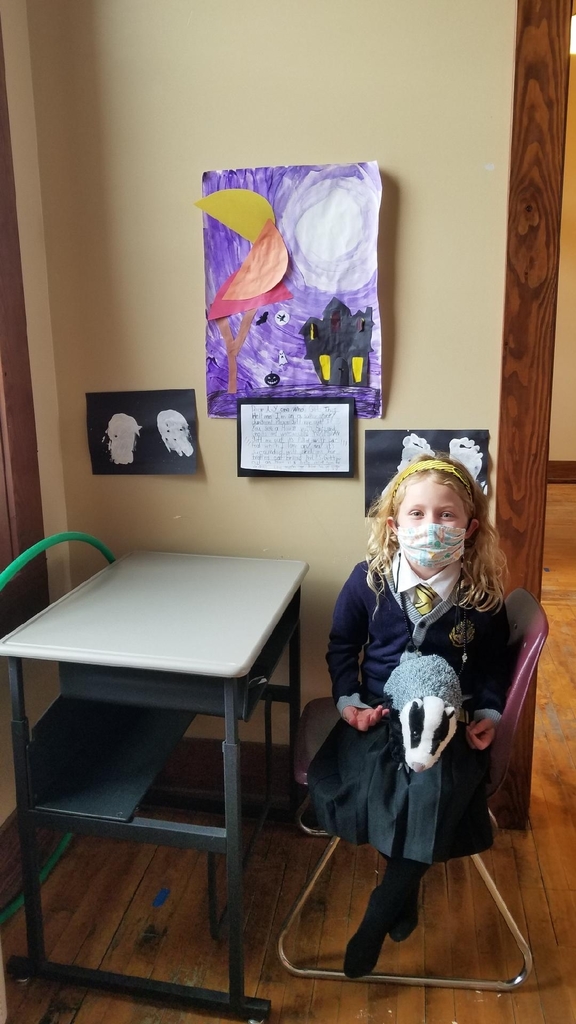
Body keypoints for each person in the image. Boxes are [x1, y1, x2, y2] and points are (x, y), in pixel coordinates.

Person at [307, 453, 510, 979]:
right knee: (383, 785)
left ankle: (382, 907)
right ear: (394, 525)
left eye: (447, 514)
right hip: (377, 717)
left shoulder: (480, 594)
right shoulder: (368, 581)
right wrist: (349, 702)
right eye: (417, 514)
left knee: (433, 784)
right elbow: (342, 645)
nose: (431, 525)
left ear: (470, 527)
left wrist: (489, 710)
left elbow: (494, 663)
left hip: (448, 725)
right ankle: (406, 888)